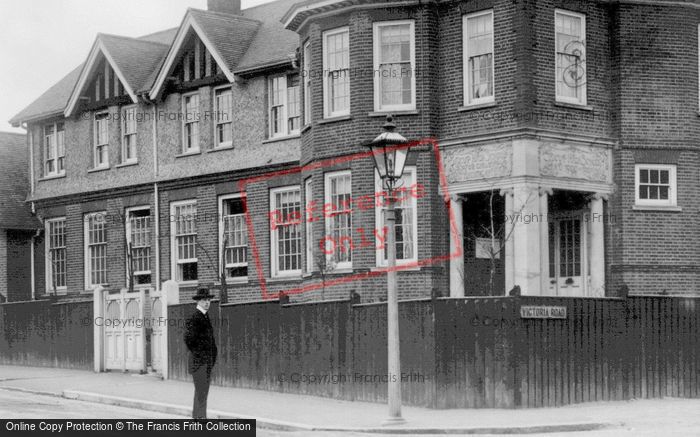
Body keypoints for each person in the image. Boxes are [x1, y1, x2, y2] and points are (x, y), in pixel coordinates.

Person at [184, 287, 218, 419]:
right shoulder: (195, 317)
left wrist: (212, 356)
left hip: (206, 361)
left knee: (202, 392)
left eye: (208, 300)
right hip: (200, 362)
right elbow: (189, 339)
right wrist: (202, 356)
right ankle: (200, 419)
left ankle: (198, 418)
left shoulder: (204, 316)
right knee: (201, 392)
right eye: (204, 300)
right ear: (198, 301)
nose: (207, 302)